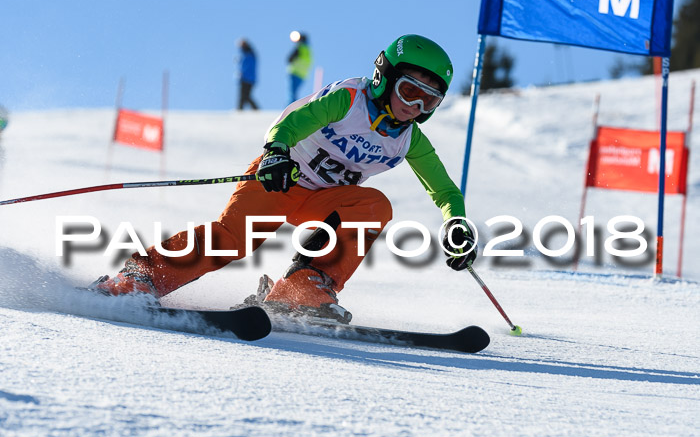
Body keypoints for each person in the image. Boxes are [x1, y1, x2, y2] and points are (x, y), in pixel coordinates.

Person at [92, 34, 478, 323]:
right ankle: (139, 278)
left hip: (320, 203)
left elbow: (443, 189)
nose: (414, 107)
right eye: (409, 91)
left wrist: (455, 222)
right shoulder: (348, 99)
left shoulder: (409, 140)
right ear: (383, 76)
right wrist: (277, 152)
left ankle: (301, 288)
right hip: (279, 178)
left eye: (429, 101)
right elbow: (292, 122)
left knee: (374, 205)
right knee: (234, 239)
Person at [287, 32, 313, 104]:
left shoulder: (300, 48)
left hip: (295, 72)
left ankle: (290, 108)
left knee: (292, 93)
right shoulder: (308, 50)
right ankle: (293, 106)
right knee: (294, 92)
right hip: (303, 75)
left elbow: (289, 59)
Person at [237, 39, 259, 110]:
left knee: (245, 95)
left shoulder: (249, 54)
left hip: (247, 78)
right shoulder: (245, 54)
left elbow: (247, 66)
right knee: (244, 95)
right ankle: (240, 108)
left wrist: (242, 73)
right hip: (247, 77)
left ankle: (254, 108)